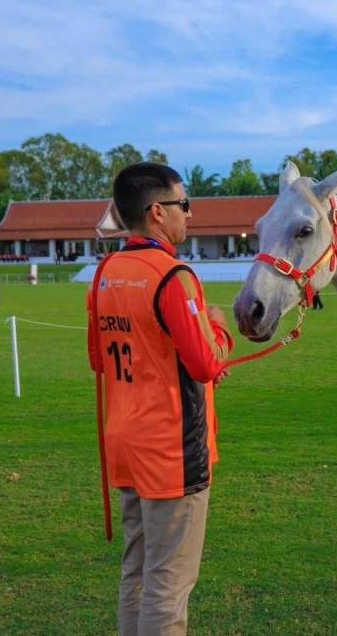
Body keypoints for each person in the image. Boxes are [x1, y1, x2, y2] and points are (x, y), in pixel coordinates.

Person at [86, 163, 234, 635]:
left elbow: (98, 357)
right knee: (169, 585)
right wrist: (217, 325)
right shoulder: (172, 275)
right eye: (183, 205)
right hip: (173, 451)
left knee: (138, 573)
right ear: (157, 212)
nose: (188, 215)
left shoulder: (106, 271)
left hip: (126, 443)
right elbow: (207, 364)